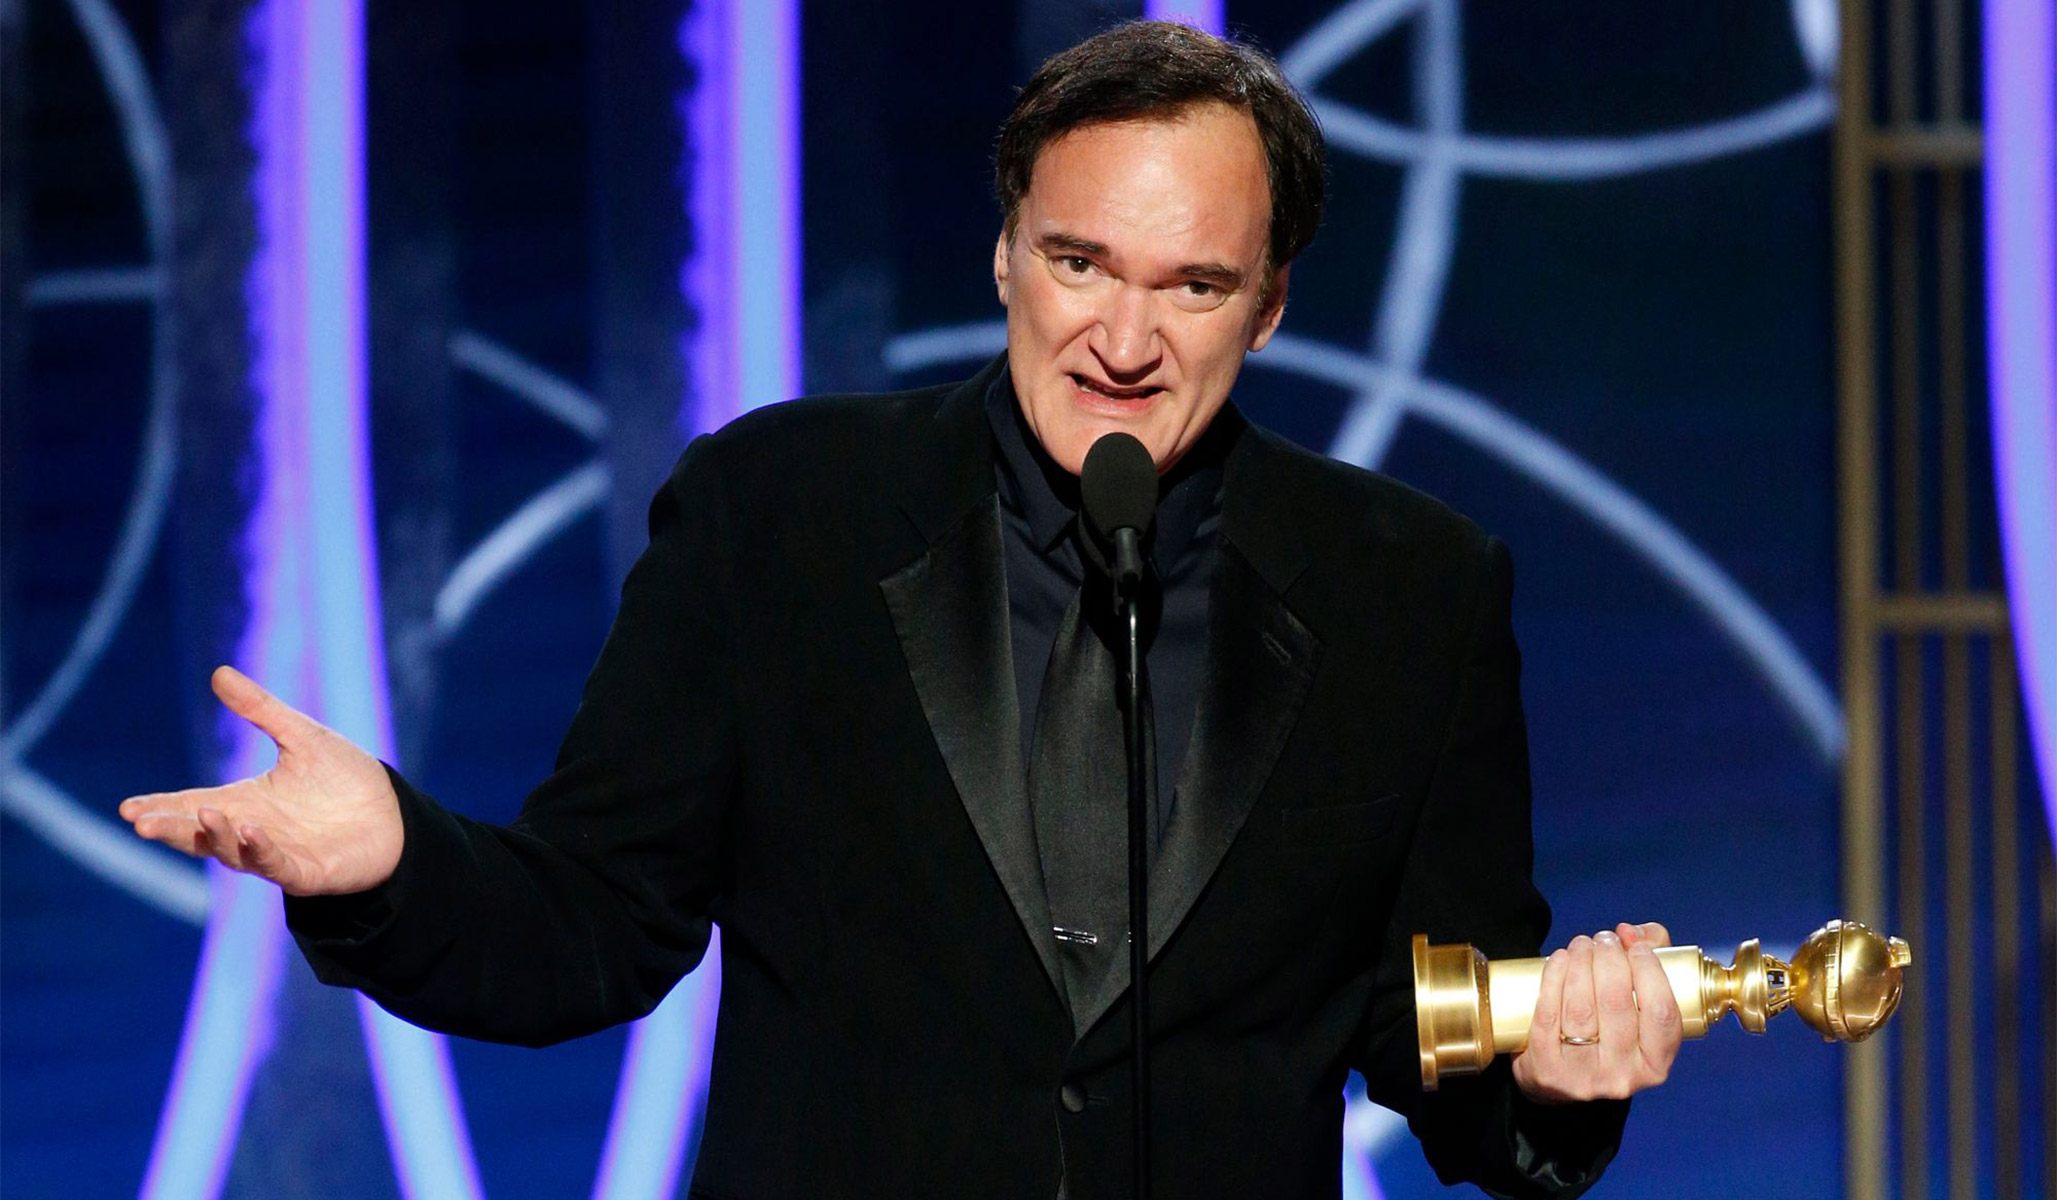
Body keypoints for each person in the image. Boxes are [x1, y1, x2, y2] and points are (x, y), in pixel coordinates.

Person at [122, 20, 1681, 1199]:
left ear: (1267, 306)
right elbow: (591, 930)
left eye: (1192, 286)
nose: (1121, 337)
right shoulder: (779, 515)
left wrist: (1556, 1082)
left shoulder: (1413, 589)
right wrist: (392, 860)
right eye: (1078, 261)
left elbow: (1437, 1032)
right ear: (1004, 254)